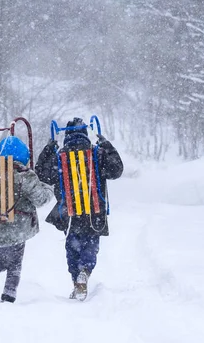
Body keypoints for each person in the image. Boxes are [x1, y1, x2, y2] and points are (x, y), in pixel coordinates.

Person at [35, 117, 123, 300]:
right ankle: (85, 271)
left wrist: (50, 147)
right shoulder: (97, 154)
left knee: (72, 246)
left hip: (70, 212)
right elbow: (117, 170)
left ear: (66, 135)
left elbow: (41, 173)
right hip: (95, 211)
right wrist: (106, 144)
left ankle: (76, 280)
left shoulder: (60, 156)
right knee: (90, 243)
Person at [0, 135, 52, 303]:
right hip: (18, 229)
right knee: (15, 263)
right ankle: (9, 296)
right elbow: (41, 199)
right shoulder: (24, 176)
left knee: (0, 260)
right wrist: (48, 187)